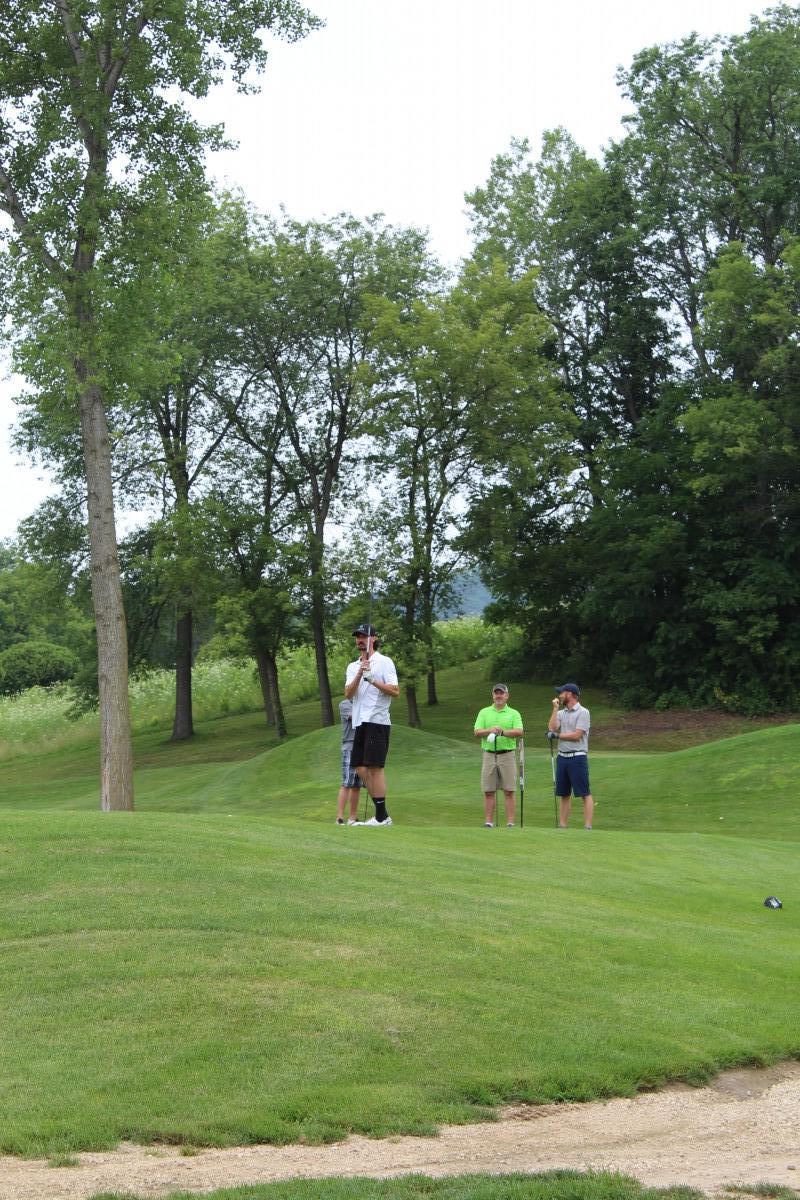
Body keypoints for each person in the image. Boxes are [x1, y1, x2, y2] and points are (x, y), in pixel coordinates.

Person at [344, 623, 399, 826]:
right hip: (359, 722)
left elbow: (395, 691)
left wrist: (373, 680)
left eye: (365, 636)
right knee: (359, 767)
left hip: (377, 720)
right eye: (358, 636)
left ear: (374, 638)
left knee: (375, 768)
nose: (360, 639)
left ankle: (382, 817)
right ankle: (382, 814)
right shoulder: (352, 666)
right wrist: (360, 673)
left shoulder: (384, 662)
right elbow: (348, 694)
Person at [473, 683, 524, 827]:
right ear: (493, 695)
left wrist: (502, 732)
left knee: (509, 790)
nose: (498, 696)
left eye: (501, 693)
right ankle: (489, 822)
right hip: (489, 754)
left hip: (507, 754)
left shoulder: (514, 713)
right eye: (496, 693)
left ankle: (510, 823)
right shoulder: (484, 712)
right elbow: (477, 732)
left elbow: (519, 731)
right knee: (489, 790)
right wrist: (490, 730)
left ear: (507, 696)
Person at [548, 682, 594, 829]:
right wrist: (555, 709)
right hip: (562, 757)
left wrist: (557, 736)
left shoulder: (583, 712)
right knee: (564, 794)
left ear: (570, 694)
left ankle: (587, 826)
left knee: (584, 793)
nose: (560, 696)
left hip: (578, 757)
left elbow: (577, 735)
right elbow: (552, 728)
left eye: (562, 693)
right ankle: (563, 825)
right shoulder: (561, 713)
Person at [335, 698, 362, 825]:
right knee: (347, 783)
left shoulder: (363, 702)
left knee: (357, 785)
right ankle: (339, 818)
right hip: (350, 747)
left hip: (362, 747)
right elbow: (354, 717)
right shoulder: (345, 704)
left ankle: (352, 818)